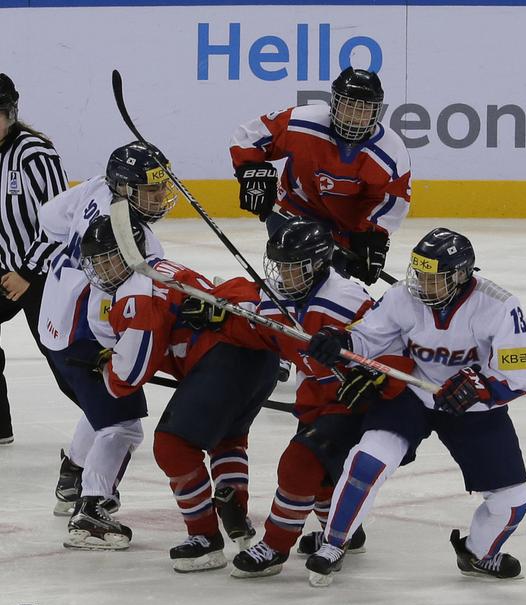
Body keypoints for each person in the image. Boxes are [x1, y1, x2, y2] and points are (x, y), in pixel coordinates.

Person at [305, 227, 526, 586]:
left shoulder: (499, 305)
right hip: (412, 395)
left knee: (512, 500)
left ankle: (480, 554)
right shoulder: (403, 296)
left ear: (460, 275)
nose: (422, 284)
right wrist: (341, 341)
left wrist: (480, 386)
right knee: (366, 461)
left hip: (472, 410)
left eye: (434, 278)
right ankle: (333, 544)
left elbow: (519, 375)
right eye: (420, 274)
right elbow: (370, 335)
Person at [184, 217, 412, 578]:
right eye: (280, 267)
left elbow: (395, 344)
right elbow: (255, 329)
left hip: (355, 398)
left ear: (320, 263)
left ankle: (275, 546)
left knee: (299, 463)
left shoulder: (348, 300)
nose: (284, 276)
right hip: (317, 397)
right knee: (322, 478)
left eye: (294, 268)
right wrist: (218, 316)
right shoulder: (278, 302)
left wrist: (375, 375)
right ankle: (341, 529)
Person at [82, 215, 279, 569]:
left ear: (130, 252)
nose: (101, 268)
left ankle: (205, 537)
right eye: (95, 260)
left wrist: (106, 370)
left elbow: (130, 373)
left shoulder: (135, 294)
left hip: (221, 362)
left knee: (173, 445)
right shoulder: (161, 267)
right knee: (227, 438)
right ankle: (235, 511)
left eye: (107, 258)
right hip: (257, 356)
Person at [36, 141, 177, 548]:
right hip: (87, 335)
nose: (157, 198)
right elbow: (142, 304)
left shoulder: (96, 187)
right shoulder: (140, 245)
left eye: (158, 188)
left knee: (100, 406)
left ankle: (73, 476)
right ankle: (92, 511)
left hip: (55, 325)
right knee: (123, 425)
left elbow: (49, 219)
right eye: (148, 190)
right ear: (125, 189)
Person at [229, 66, 412, 288]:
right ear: (334, 103)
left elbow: (389, 202)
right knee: (299, 279)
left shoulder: (390, 152)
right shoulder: (302, 122)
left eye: (363, 110)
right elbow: (249, 136)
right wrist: (252, 173)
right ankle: (267, 304)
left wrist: (372, 238)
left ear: (376, 112)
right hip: (292, 211)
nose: (354, 117)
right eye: (348, 106)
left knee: (328, 287)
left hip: (341, 230)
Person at [0, 72, 72, 445]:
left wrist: (27, 271)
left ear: (10, 113)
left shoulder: (34, 154)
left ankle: (113, 419)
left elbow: (61, 220)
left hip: (43, 273)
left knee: (62, 358)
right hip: (3, 272)